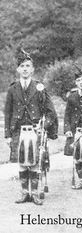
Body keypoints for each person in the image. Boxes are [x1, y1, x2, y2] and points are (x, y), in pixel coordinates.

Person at [5, 48, 58, 205]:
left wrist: (44, 126)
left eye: (28, 65)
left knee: (35, 162)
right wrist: (7, 135)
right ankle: (24, 193)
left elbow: (51, 112)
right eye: (22, 66)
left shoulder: (40, 87)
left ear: (33, 69)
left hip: (36, 131)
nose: (25, 69)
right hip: (19, 132)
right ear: (18, 69)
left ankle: (34, 193)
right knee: (22, 162)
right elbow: (7, 113)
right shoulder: (12, 88)